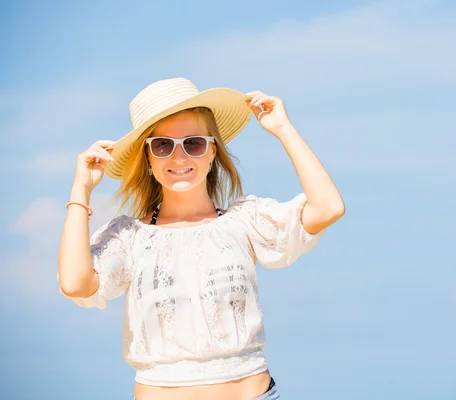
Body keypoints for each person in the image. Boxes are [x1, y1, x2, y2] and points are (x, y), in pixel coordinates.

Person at [57, 77, 345, 400]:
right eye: (163, 145)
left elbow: (328, 207)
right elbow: (75, 283)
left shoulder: (244, 221)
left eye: (193, 143)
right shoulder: (130, 237)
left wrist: (283, 128)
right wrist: (80, 190)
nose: (179, 158)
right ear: (149, 159)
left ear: (212, 153)